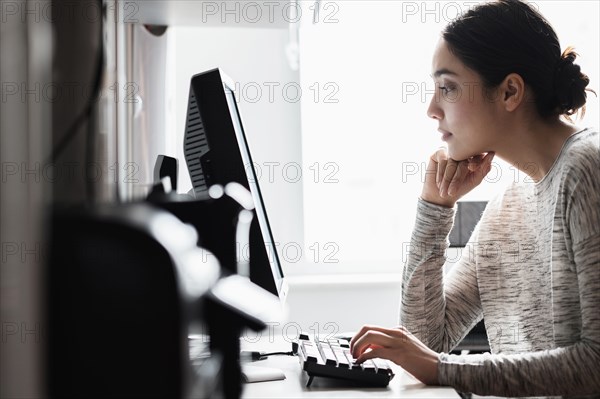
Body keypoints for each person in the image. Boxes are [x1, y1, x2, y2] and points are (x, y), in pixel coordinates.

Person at [349, 0, 599, 397]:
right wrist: (435, 209)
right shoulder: (508, 207)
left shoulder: (588, 168)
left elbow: (594, 365)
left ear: (509, 91)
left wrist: (445, 369)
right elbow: (428, 341)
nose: (432, 109)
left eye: (447, 88)